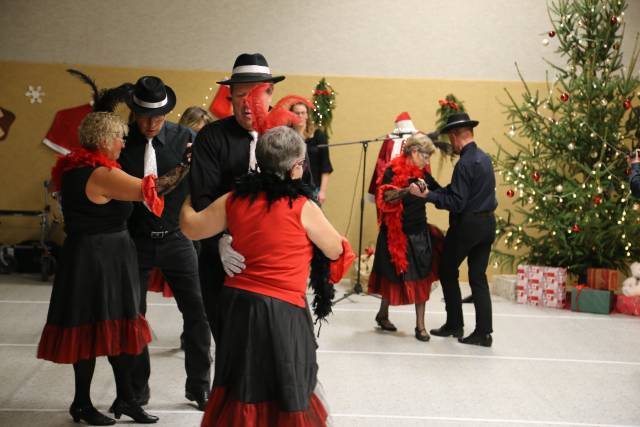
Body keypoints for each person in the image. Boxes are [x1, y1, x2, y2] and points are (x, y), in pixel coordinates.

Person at [180, 126, 352, 426]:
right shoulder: (302, 207)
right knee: (287, 385)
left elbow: (191, 227)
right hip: (281, 311)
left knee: (242, 386)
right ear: (295, 167)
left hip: (237, 308)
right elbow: (337, 250)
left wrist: (187, 195)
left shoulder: (233, 200)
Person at [37, 111, 183, 425]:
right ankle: (84, 403)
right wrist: (187, 164)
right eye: (119, 138)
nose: (122, 143)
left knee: (110, 328)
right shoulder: (100, 173)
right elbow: (153, 189)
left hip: (98, 254)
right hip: (100, 257)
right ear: (104, 140)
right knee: (98, 328)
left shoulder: (74, 168)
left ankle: (124, 399)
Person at [118, 76, 211, 410]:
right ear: (134, 112)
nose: (152, 124)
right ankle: (136, 391)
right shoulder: (121, 142)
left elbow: (212, 174)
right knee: (134, 316)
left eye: (158, 116)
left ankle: (200, 387)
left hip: (177, 238)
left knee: (198, 312)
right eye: (145, 116)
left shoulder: (186, 138)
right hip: (134, 241)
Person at [189, 53, 287, 339]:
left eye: (255, 94)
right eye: (240, 95)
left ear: (271, 94)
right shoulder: (211, 137)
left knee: (271, 342)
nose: (248, 103)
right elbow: (202, 195)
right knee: (228, 341)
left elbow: (299, 197)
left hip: (272, 260)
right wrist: (219, 241)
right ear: (230, 96)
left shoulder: (285, 138)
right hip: (221, 258)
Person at [426, 112, 497, 347]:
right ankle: (484, 333)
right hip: (487, 225)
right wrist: (434, 188)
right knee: (478, 277)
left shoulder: (464, 163)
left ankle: (455, 324)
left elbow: (457, 202)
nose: (451, 145)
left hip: (467, 226)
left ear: (457, 137)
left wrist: (428, 196)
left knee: (447, 269)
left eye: (451, 138)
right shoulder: (484, 158)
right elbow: (459, 192)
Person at [367, 133, 442, 341]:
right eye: (426, 157)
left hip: (418, 232)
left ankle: (420, 326)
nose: (427, 162)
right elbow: (384, 197)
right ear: (415, 152)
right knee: (391, 276)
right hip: (395, 233)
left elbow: (438, 191)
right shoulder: (392, 170)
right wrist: (406, 191)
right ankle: (383, 314)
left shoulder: (423, 174)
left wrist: (458, 195)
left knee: (422, 278)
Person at [367, 112, 419, 205]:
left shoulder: (418, 139)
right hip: (390, 187)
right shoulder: (390, 139)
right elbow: (381, 161)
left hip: (411, 188)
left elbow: (424, 166)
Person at [290, 100, 333, 204]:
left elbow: (325, 166)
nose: (300, 116)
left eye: (303, 113)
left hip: (314, 189)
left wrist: (322, 191)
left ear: (307, 115)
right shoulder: (287, 135)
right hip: (292, 188)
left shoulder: (318, 135)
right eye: (297, 113)